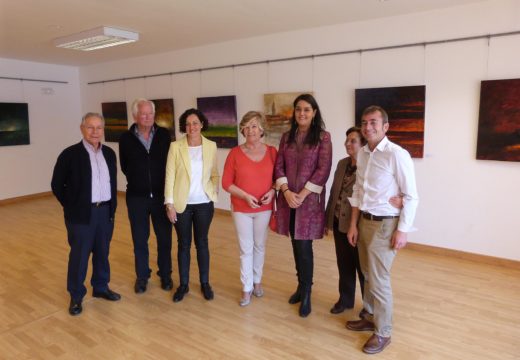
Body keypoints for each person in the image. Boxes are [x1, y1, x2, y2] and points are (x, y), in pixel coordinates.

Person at [346, 105, 419, 354]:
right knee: (367, 274)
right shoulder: (364, 153)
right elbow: (358, 190)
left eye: (374, 122)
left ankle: (383, 332)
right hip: (365, 221)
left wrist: (403, 229)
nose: (368, 127)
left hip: (386, 224)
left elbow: (411, 196)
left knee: (379, 280)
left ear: (385, 126)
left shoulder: (397, 154)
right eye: (365, 122)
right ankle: (370, 315)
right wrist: (354, 224)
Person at [325, 127, 404, 315]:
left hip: (359, 225)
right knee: (343, 264)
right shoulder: (342, 164)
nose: (347, 144)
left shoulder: (369, 164)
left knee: (363, 269)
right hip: (339, 222)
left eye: (353, 141)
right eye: (347, 140)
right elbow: (334, 193)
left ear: (362, 145)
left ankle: (368, 308)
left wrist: (402, 200)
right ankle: (345, 300)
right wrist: (328, 219)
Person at [51, 112, 121, 316]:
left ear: (103, 130)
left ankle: (100, 287)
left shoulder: (109, 153)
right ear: (82, 129)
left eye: (99, 127)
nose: (95, 132)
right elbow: (57, 185)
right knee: (79, 256)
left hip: (105, 211)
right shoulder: (69, 154)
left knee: (102, 252)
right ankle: (76, 295)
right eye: (90, 127)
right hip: (81, 215)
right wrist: (72, 205)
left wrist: (111, 208)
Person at [274, 94, 332, 317]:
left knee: (304, 247)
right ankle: (300, 286)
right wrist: (287, 192)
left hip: (308, 204)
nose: (302, 113)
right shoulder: (286, 137)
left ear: (314, 112)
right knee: (295, 245)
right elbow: (279, 166)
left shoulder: (323, 138)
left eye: (307, 109)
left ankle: (307, 291)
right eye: (298, 109)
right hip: (288, 200)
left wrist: (302, 194)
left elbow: (323, 170)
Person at [222, 111, 277, 306]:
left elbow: (278, 180)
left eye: (254, 125)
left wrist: (272, 191)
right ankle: (246, 288)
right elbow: (226, 183)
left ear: (261, 129)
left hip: (264, 208)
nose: (250, 130)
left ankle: (257, 281)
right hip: (241, 209)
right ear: (242, 130)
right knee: (246, 249)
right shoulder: (234, 153)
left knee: (259, 246)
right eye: (246, 126)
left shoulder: (272, 152)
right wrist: (245, 196)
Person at [164, 108, 219, 302]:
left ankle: (205, 283)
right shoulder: (175, 147)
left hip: (204, 203)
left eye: (195, 123)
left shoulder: (211, 146)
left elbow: (214, 173)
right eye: (187, 124)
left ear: (202, 124)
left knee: (202, 243)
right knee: (183, 244)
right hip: (182, 204)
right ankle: (184, 284)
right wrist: (169, 204)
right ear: (183, 127)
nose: (191, 127)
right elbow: (170, 176)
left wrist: (214, 191)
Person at [119, 99, 173, 294]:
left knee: (164, 239)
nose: (148, 117)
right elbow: (125, 166)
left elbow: (171, 164)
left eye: (150, 113)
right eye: (144, 114)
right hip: (136, 198)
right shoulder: (125, 138)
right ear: (135, 116)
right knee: (140, 239)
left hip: (161, 196)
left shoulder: (164, 135)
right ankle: (142, 277)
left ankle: (165, 274)